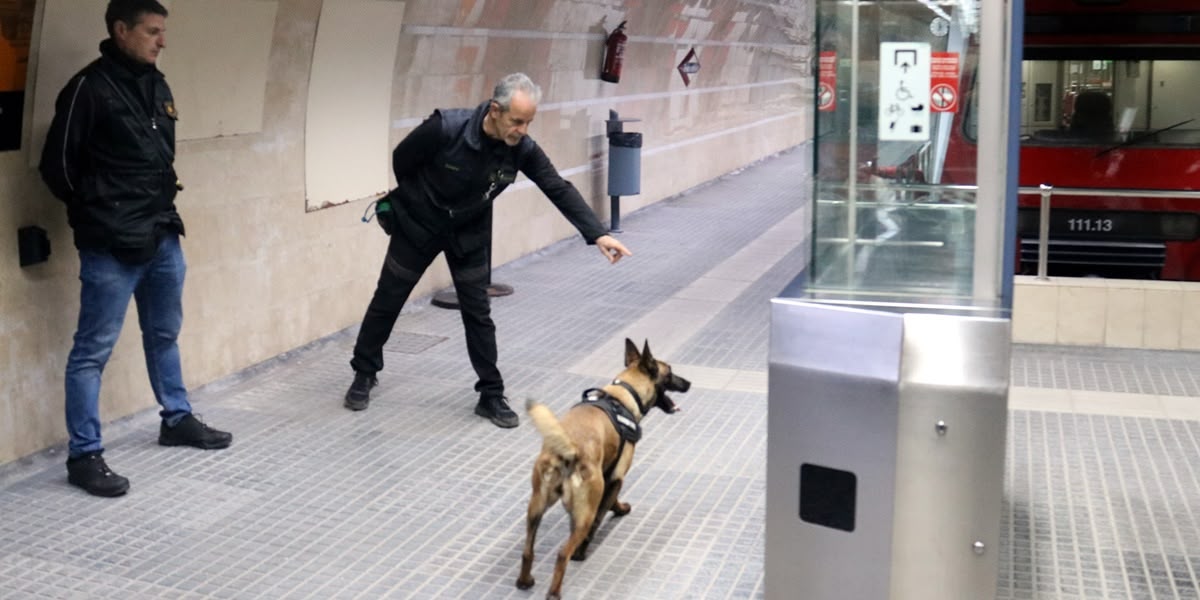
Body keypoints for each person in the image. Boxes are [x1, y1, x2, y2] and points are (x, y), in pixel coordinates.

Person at [346, 73, 632, 427]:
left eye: (528, 122)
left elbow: (556, 186)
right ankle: (364, 373)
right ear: (495, 110)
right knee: (388, 298)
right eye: (517, 121)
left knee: (478, 314)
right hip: (419, 228)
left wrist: (598, 234)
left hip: (468, 234)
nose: (523, 130)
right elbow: (402, 160)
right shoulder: (445, 128)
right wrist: (421, 203)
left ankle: (491, 395)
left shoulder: (520, 148)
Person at [39, 0, 232, 498]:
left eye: (162, 31)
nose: (161, 40)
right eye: (152, 31)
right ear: (120, 31)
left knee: (164, 334)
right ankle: (84, 455)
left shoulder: (156, 84)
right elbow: (57, 168)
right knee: (91, 353)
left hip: (162, 235)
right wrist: (101, 218)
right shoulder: (88, 88)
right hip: (110, 246)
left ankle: (177, 418)